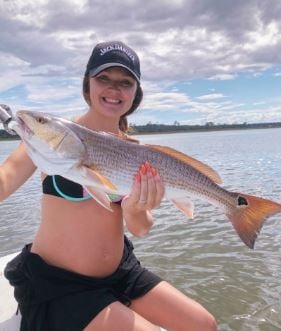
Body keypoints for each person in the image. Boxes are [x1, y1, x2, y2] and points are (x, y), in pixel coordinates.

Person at [1, 41, 217, 331]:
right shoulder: (48, 137)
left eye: (125, 82)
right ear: (87, 83)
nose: (114, 89)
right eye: (103, 78)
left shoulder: (134, 152)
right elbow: (4, 182)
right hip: (59, 285)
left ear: (135, 93)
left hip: (121, 273)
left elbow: (140, 228)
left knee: (203, 324)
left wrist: (134, 207)